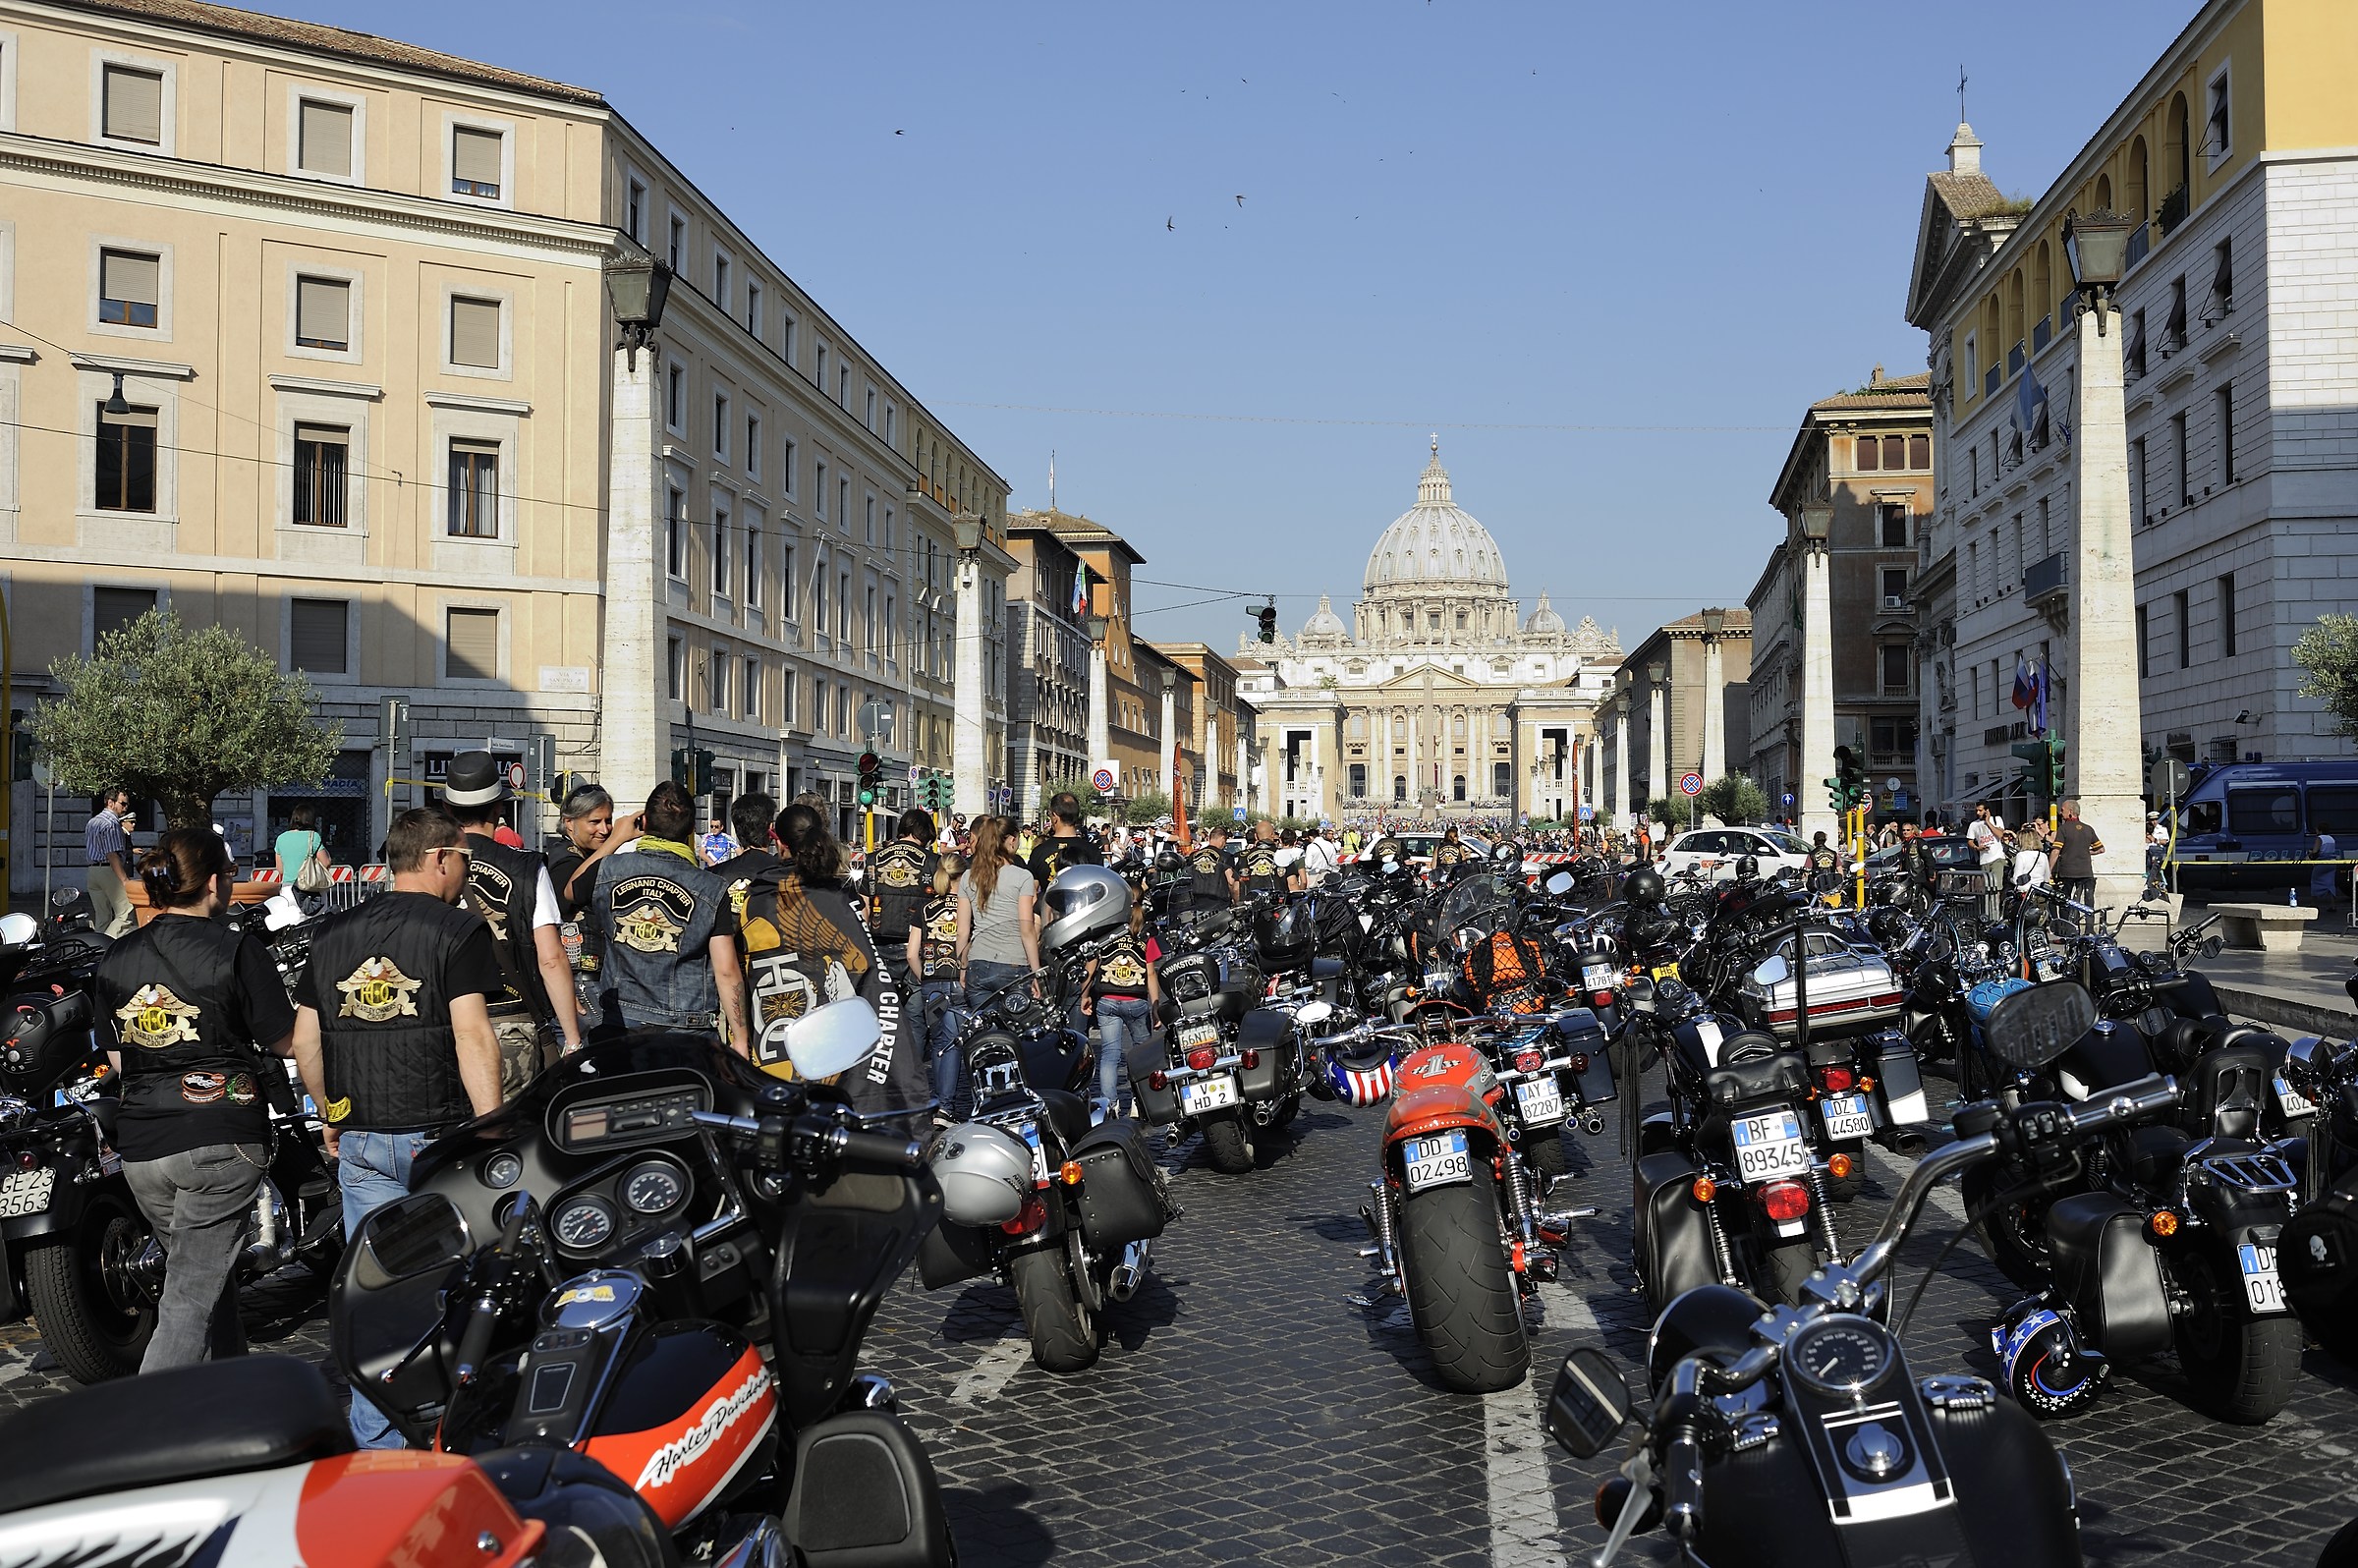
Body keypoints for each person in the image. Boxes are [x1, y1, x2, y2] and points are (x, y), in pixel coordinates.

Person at [290, 807, 504, 1446]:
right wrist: (491, 1128)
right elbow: (473, 1037)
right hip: (436, 1134)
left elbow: (305, 1044)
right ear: (439, 858)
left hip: (360, 1136)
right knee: (454, 1288)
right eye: (464, 858)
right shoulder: (459, 931)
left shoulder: (330, 935)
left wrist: (331, 1112)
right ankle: (453, 1429)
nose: (467, 871)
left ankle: (377, 1442)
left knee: (377, 1298)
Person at [95, 829, 298, 1371]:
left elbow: (118, 1060)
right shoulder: (236, 947)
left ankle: (231, 1400)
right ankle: (152, 1432)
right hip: (220, 1138)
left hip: (142, 1146)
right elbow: (287, 1040)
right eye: (231, 875)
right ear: (213, 882)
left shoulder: (117, 956)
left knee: (206, 1277)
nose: (233, 884)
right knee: (189, 1297)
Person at [441, 752, 581, 1095]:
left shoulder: (433, 864)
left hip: (446, 1022)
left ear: (448, 811)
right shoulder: (528, 867)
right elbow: (550, 957)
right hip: (511, 1022)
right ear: (498, 810)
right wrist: (572, 1038)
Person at [593, 781, 752, 1050]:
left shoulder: (607, 871)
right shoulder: (712, 888)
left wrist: (616, 839)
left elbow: (570, 889)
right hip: (688, 1029)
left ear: (643, 823)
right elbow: (726, 972)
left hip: (622, 1022)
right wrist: (741, 1038)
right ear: (691, 829)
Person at [1081, 889, 1159, 1117]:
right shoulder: (1146, 936)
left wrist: (1084, 995)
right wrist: (1155, 1006)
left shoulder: (1106, 935)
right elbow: (1151, 974)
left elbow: (1091, 967)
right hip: (1136, 999)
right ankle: (1140, 1101)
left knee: (1110, 1053)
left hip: (1107, 998)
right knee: (1142, 1053)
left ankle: (1110, 1103)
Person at [907, 852, 967, 1125]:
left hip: (931, 982)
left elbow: (911, 953)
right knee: (954, 1043)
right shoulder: (967, 907)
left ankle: (936, 1099)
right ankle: (946, 1106)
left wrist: (924, 979)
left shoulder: (924, 908)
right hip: (958, 978)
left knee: (939, 1043)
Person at [960, 815, 1042, 1006]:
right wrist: (1036, 972)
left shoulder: (968, 877)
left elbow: (963, 930)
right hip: (1013, 963)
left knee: (984, 1032)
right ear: (1011, 840)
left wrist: (963, 967)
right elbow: (1026, 930)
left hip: (977, 961)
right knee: (1012, 1032)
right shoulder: (1022, 877)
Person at [868, 808, 938, 998]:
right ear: (924, 834)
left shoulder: (873, 860)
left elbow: (864, 905)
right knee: (915, 1014)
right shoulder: (933, 862)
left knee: (884, 1009)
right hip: (915, 946)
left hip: (879, 944)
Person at [85, 788, 138, 937]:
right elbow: (112, 854)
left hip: (92, 871)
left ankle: (96, 950)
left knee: (103, 916)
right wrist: (124, 880)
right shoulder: (112, 823)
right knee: (126, 912)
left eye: (127, 804)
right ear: (110, 802)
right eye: (123, 804)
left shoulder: (92, 822)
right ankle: (107, 946)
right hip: (108, 870)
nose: (125, 807)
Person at [1026, 792, 1103, 887]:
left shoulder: (1039, 852)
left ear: (1055, 817)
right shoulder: (1092, 851)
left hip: (1049, 901)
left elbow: (1031, 893)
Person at [273, 804, 331, 915]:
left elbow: (280, 869)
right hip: (312, 889)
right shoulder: (313, 836)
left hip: (288, 890)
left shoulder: (281, 838)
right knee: (316, 926)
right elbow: (326, 862)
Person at [2051, 800, 2105, 914]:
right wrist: (2086, 851)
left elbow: (2056, 851)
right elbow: (2100, 849)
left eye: (2062, 810)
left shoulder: (2063, 829)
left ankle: (2066, 926)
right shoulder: (2088, 829)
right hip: (2085, 871)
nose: (2061, 813)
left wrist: (2049, 869)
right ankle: (2089, 927)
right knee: (2088, 901)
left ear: (2070, 811)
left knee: (2065, 899)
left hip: (2068, 872)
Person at [1965, 802, 2007, 921]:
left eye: (1980, 810)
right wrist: (1977, 848)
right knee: (1986, 888)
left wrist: (1988, 821)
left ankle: (1996, 915)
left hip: (1997, 858)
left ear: (1987, 810)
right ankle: (1987, 914)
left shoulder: (1996, 819)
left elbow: (2000, 834)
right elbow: (1970, 840)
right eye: (1976, 811)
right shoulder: (1974, 825)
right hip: (1984, 859)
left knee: (1996, 887)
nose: (1978, 813)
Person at [1185, 824, 1237, 915]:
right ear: (1222, 838)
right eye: (1225, 841)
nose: (1225, 844)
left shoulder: (1193, 856)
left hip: (1198, 903)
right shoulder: (1226, 856)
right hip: (1220, 904)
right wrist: (1236, 901)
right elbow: (1231, 881)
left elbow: (1188, 877)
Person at [1235, 820, 1287, 900]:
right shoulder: (1283, 855)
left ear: (1256, 836)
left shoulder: (1244, 856)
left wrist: (1238, 902)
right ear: (1273, 834)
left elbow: (1236, 883)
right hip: (1277, 902)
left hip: (1251, 903)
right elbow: (1292, 882)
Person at [2009, 822, 2054, 897]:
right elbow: (2047, 878)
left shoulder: (2021, 855)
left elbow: (2016, 880)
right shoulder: (2043, 855)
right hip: (2039, 892)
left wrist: (2010, 879)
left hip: (2024, 891)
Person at [1302, 823, 1342, 887]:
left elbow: (1308, 864)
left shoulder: (1310, 847)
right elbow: (1333, 862)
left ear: (1311, 837)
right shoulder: (1330, 845)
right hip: (1326, 875)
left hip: (1313, 875)